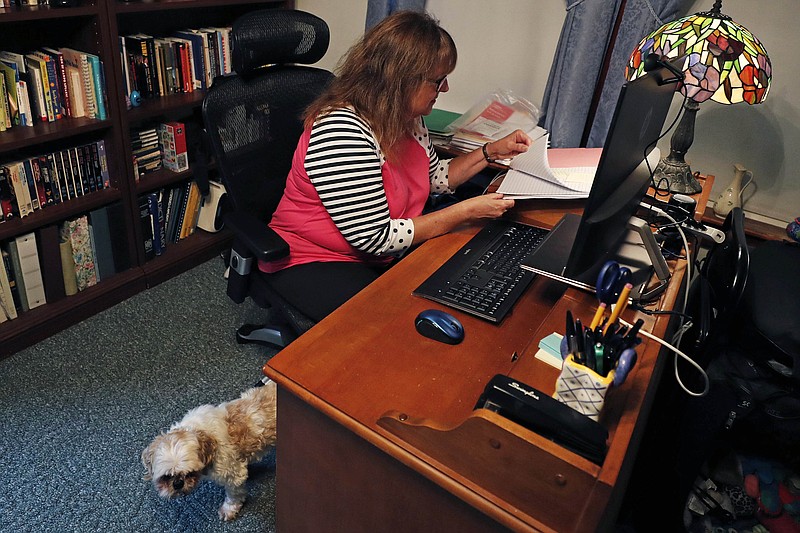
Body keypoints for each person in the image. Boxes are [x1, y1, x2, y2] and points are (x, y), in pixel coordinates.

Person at [261, 10, 532, 322]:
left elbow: (435, 178)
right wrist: (466, 212)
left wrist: (489, 152)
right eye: (438, 80)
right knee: (391, 329)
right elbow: (374, 238)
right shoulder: (342, 132)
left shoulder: (407, 117)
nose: (444, 89)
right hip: (313, 257)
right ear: (400, 81)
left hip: (379, 251)